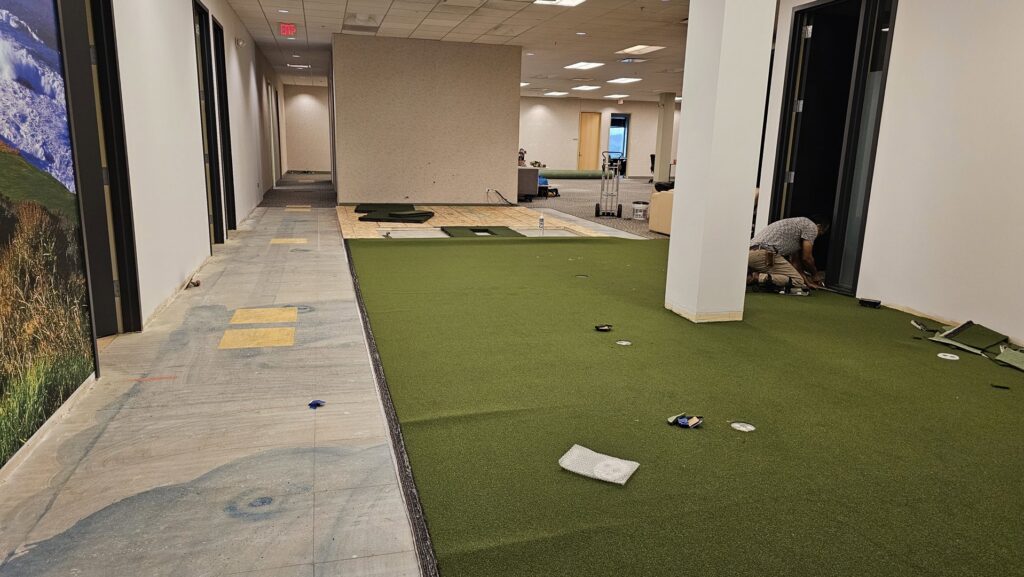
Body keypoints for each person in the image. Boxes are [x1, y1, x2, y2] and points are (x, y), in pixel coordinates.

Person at [747, 216, 829, 291]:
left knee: (797, 279)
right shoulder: (811, 226)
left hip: (749, 253)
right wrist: (815, 274)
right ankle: (754, 277)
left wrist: (807, 283)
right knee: (798, 281)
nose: (817, 236)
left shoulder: (796, 229)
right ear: (818, 226)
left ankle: (753, 275)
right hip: (765, 253)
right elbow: (807, 258)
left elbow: (795, 265)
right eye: (820, 233)